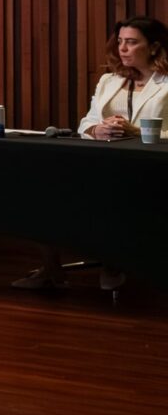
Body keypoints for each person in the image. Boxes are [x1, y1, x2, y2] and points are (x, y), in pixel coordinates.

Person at [14, 17, 168, 292]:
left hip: (150, 168)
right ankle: (51, 269)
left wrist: (138, 132)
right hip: (102, 161)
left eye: (132, 42)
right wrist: (97, 129)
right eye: (120, 41)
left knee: (110, 198)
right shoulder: (110, 80)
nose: (123, 48)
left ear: (154, 47)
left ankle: (113, 262)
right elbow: (86, 123)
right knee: (41, 191)